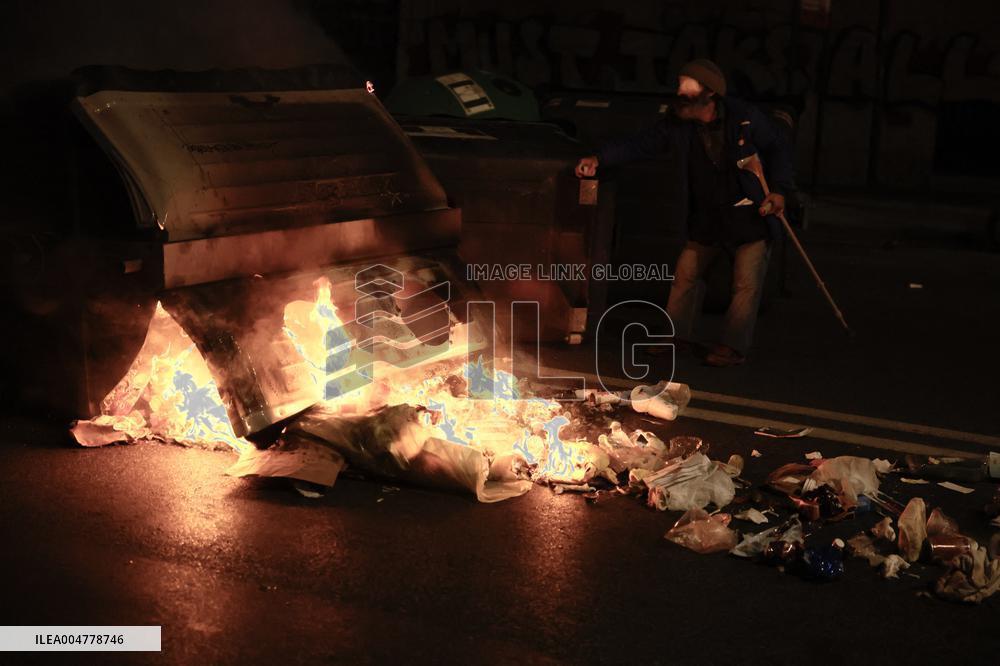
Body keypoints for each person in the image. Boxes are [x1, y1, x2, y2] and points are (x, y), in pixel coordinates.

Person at [575, 59, 794, 367]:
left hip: (749, 213)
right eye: (679, 87)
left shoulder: (744, 119)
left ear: (711, 95)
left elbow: (779, 147)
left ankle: (733, 347)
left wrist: (780, 190)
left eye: (687, 90)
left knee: (746, 282)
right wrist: (600, 158)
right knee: (686, 275)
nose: (679, 94)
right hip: (707, 214)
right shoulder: (678, 124)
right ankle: (675, 337)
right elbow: (641, 143)